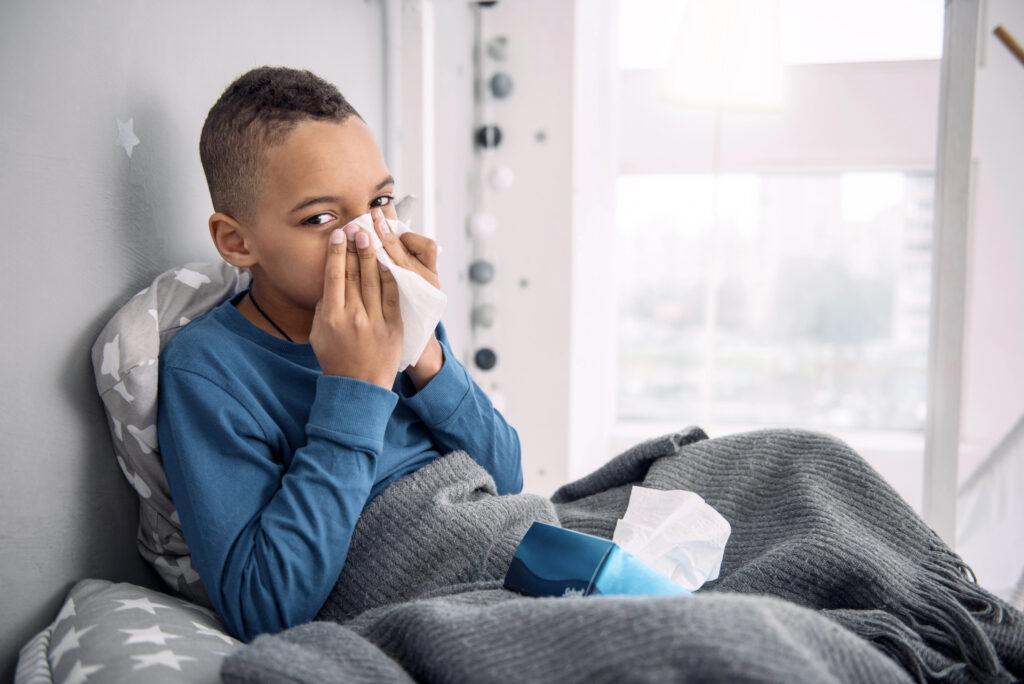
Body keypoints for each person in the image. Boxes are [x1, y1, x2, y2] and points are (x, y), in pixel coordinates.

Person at [157, 66, 523, 643]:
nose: (369, 237)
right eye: (322, 218)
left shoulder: (397, 306)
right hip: (426, 595)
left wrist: (423, 350)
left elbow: (507, 477)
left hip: (507, 541)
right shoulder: (209, 370)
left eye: (380, 201)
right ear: (237, 241)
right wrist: (358, 386)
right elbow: (264, 608)